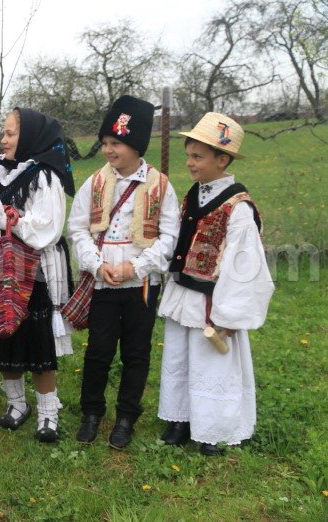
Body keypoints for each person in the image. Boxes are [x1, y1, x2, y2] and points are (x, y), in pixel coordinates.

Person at [157, 112, 274, 456]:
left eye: (198, 157)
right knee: (178, 356)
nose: (190, 163)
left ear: (222, 159)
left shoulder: (238, 207)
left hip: (213, 301)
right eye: (189, 155)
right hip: (184, 292)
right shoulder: (194, 195)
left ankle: (214, 429)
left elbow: (244, 265)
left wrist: (229, 315)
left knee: (213, 364)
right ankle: (181, 417)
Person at [68, 95, 179, 449]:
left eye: (115, 143)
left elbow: (169, 237)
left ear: (135, 144)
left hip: (142, 285)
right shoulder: (95, 183)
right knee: (98, 350)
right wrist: (98, 265)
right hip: (102, 283)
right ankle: (91, 412)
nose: (108, 150)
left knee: (136, 352)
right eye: (105, 142)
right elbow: (78, 229)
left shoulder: (161, 186)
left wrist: (137, 266)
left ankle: (127, 417)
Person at [0, 107, 76, 442]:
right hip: (2, 265)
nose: (4, 139)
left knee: (38, 343)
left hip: (34, 269)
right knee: (5, 332)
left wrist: (12, 218)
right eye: (4, 133)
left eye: (11, 134)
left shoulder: (44, 176)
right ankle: (15, 402)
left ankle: (48, 411)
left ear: (31, 138)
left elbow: (47, 229)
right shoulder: (2, 174)